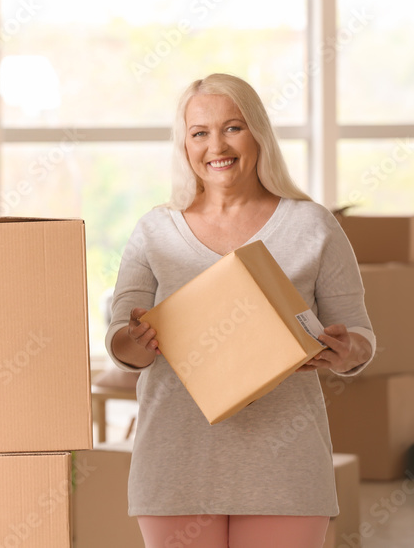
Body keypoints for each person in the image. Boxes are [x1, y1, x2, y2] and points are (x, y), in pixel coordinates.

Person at [106, 73, 375, 548]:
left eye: (233, 127)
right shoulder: (155, 231)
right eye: (199, 133)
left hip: (285, 468)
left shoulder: (312, 224)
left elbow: (359, 335)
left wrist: (345, 351)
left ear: (258, 133)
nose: (217, 146)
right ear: (184, 144)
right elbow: (121, 341)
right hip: (176, 464)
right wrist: (136, 341)